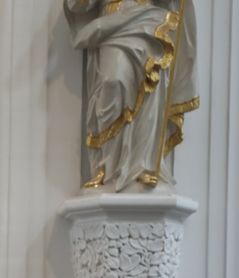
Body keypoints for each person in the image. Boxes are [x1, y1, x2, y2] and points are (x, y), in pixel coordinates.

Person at [64, 0, 198, 191]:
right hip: (113, 21)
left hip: (147, 17)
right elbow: (79, 5)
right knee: (112, 81)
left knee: (150, 85)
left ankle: (144, 164)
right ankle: (108, 168)